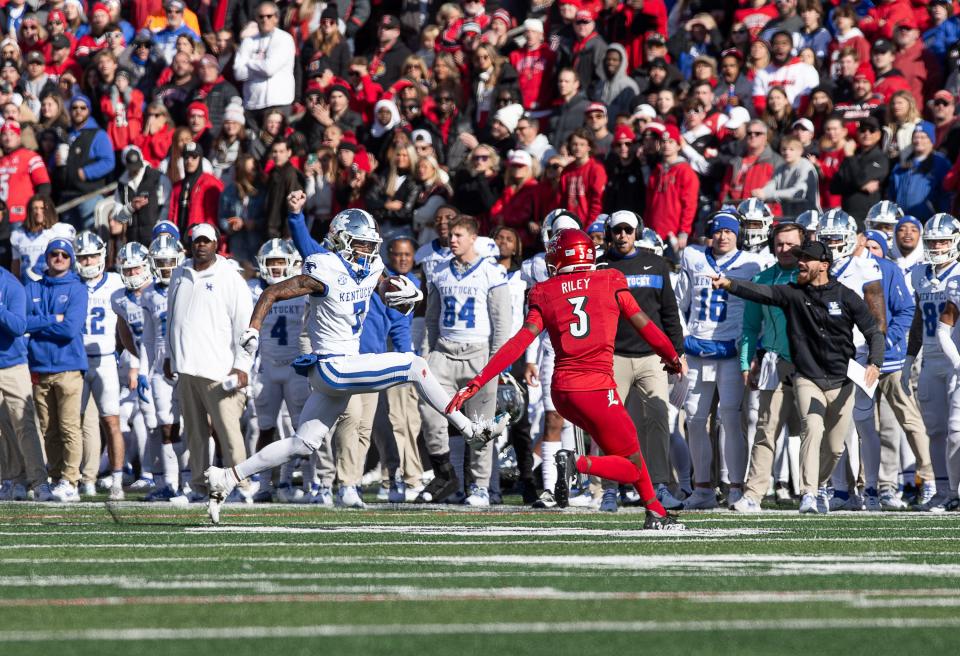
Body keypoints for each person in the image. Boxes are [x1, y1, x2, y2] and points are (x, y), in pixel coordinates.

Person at [203, 193, 506, 523]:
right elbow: (272, 292)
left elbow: (383, 287)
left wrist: (404, 291)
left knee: (304, 442)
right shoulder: (325, 268)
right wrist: (252, 329)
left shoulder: (370, 264)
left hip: (341, 369)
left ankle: (228, 476)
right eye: (361, 244)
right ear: (342, 240)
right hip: (333, 365)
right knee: (414, 365)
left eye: (369, 244)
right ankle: (469, 429)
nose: (367, 250)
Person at [447, 228, 684, 529]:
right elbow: (644, 324)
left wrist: (479, 379)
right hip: (595, 388)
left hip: (562, 391)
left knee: (625, 452)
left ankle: (655, 513)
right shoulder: (609, 279)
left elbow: (519, 341)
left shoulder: (544, 291)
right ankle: (578, 464)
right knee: (633, 464)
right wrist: (671, 356)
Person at [713, 240, 885, 515]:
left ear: (824, 265)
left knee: (835, 447)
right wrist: (729, 284)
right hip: (807, 377)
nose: (800, 262)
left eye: (807, 258)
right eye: (800, 257)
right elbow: (762, 292)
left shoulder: (846, 295)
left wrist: (875, 363)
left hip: (842, 380)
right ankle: (809, 494)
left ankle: (818, 485)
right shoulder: (793, 294)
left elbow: (874, 332)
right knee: (812, 428)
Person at [415, 215, 511, 507]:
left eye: (458, 235)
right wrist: (425, 356)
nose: (452, 239)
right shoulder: (439, 270)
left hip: (478, 354)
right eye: (451, 235)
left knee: (480, 424)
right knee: (431, 412)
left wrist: (495, 363)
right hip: (444, 352)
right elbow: (431, 319)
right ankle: (448, 475)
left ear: (473, 238)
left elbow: (502, 323)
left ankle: (480, 486)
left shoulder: (491, 272)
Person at [599, 210, 686, 511]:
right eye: (617, 230)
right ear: (609, 233)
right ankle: (609, 489)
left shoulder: (657, 264)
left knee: (659, 419)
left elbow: (669, 313)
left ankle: (660, 485)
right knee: (609, 424)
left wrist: (677, 352)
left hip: (651, 356)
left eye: (628, 229)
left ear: (637, 232)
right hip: (613, 355)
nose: (622, 235)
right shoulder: (599, 266)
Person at [678, 211, 765, 510]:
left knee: (731, 418)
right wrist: (682, 343)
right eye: (717, 231)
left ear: (737, 234)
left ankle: (735, 487)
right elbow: (680, 304)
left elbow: (758, 310)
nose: (723, 236)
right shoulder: (692, 257)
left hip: (731, 350)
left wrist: (751, 349)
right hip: (698, 349)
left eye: (729, 231)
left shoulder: (752, 263)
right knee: (695, 418)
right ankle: (702, 488)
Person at [165, 224, 252, 502]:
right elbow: (171, 319)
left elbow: (246, 326)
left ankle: (241, 487)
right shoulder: (179, 273)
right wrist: (170, 355)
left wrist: (242, 366)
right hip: (187, 368)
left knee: (229, 434)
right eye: (196, 241)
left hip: (219, 369)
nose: (200, 245)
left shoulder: (229, 276)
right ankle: (200, 488)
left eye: (206, 241)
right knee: (195, 434)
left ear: (216, 244)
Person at [732, 221, 805, 512]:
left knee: (818, 429)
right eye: (780, 244)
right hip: (775, 361)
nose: (785, 249)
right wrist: (745, 362)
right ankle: (753, 494)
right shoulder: (763, 278)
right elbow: (750, 327)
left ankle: (819, 490)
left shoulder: (813, 275)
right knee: (765, 429)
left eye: (791, 244)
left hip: (810, 362)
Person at [25, 238, 89, 502]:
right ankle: (55, 476)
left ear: (71, 258)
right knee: (48, 428)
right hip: (40, 366)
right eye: (54, 254)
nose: (59, 258)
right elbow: (23, 322)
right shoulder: (32, 288)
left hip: (69, 367)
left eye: (64, 254)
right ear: (47, 257)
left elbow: (70, 329)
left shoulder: (78, 289)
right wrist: (53, 319)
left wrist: (40, 325)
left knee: (69, 427)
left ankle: (71, 480)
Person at [908, 214, 960, 511]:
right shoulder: (919, 273)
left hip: (956, 360)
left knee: (956, 431)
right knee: (936, 430)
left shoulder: (958, 274)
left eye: (943, 240)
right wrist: (909, 357)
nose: (937, 246)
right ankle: (942, 490)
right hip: (930, 359)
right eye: (932, 241)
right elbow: (918, 317)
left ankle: (954, 489)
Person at [74, 231, 127, 501]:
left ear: (102, 255)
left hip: (107, 358)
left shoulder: (116, 282)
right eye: (83, 256)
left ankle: (117, 478)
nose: (88, 261)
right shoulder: (72, 283)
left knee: (111, 421)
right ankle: (83, 478)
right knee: (77, 422)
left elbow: (130, 320)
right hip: (77, 361)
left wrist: (130, 357)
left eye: (92, 255)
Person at [139, 232, 186, 501]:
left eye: (170, 261)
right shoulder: (148, 295)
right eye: (161, 261)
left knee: (191, 427)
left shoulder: (188, 284)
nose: (166, 267)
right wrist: (144, 371)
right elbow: (146, 337)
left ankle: (190, 481)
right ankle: (170, 482)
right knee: (166, 426)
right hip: (160, 368)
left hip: (188, 365)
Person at [0, 263, 51, 501]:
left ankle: (39, 482)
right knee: (2, 429)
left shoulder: (11, 285)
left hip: (12, 365)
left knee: (25, 425)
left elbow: (19, 326)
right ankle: (13, 479)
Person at [233, 0, 296, 122]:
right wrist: (260, 66)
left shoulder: (284, 39)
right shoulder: (248, 41)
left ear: (276, 18)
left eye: (269, 16)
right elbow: (238, 74)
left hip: (278, 102)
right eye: (261, 16)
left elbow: (269, 69)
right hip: (252, 104)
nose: (265, 20)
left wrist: (249, 62)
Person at [0, 120, 51, 225]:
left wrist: (37, 212)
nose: (8, 138)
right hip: (2, 220)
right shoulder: (1, 161)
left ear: (18, 137)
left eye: (12, 134)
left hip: (22, 218)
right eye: (4, 134)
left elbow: (44, 186)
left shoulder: (31, 156)